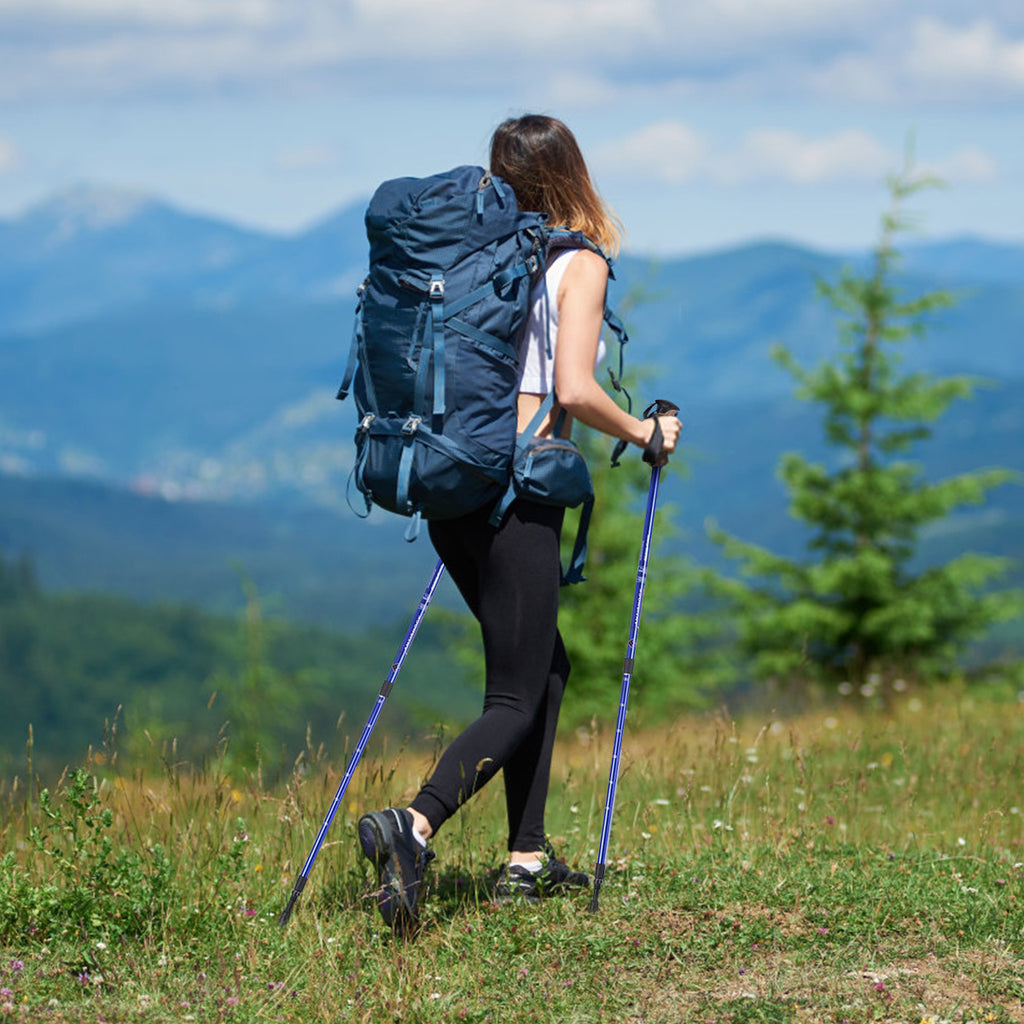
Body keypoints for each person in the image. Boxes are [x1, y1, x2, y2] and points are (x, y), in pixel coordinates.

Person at [358, 114, 681, 933]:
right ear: (574, 171)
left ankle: (526, 858)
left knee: (544, 669)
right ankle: (414, 825)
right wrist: (646, 432)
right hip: (518, 496)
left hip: (453, 494)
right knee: (516, 693)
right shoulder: (577, 263)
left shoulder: (481, 258)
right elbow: (572, 390)